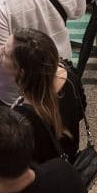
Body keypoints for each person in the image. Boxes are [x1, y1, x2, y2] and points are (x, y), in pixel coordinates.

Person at [8, 28, 86, 163]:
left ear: (21, 71)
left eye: (4, 54)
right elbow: (81, 108)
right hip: (70, 156)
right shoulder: (70, 75)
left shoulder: (22, 116)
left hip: (45, 169)